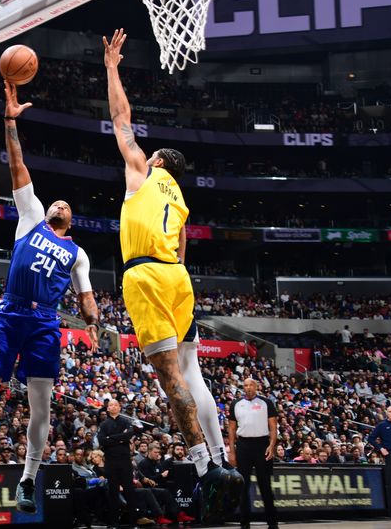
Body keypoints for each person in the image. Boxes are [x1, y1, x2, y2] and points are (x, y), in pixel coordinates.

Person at [103, 28, 237, 523]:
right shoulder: (179, 200)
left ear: (158, 161)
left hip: (145, 279)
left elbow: (121, 119)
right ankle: (222, 458)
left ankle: (207, 470)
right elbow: (181, 252)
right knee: (194, 373)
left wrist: (113, 67)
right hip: (180, 280)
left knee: (170, 378)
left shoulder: (141, 168)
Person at [0, 81, 100, 515]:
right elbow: (17, 164)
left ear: (71, 220)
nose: (59, 203)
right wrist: (9, 121)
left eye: (66, 205)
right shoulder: (31, 218)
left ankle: (29, 478)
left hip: (45, 322)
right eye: (56, 201)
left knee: (42, 406)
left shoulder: (77, 253)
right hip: (12, 311)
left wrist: (92, 322)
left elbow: (87, 297)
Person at [228, 378, 279, 529]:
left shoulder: (266, 403)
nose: (248, 388)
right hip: (243, 445)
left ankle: (273, 523)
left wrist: (271, 445)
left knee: (265, 485)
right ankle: (244, 523)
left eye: (251, 385)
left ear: (256, 387)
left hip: (262, 445)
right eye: (245, 385)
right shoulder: (235, 404)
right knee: (243, 486)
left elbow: (273, 426)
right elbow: (231, 429)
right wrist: (232, 451)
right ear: (243, 387)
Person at [97, 399, 154, 527]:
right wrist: (120, 438)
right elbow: (102, 441)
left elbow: (129, 434)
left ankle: (133, 521)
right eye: (110, 405)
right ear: (107, 408)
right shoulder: (104, 424)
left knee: (129, 491)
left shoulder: (126, 421)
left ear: (119, 407)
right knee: (113, 492)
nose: (113, 406)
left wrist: (111, 438)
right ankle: (114, 522)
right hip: (111, 461)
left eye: (115, 404)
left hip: (125, 460)